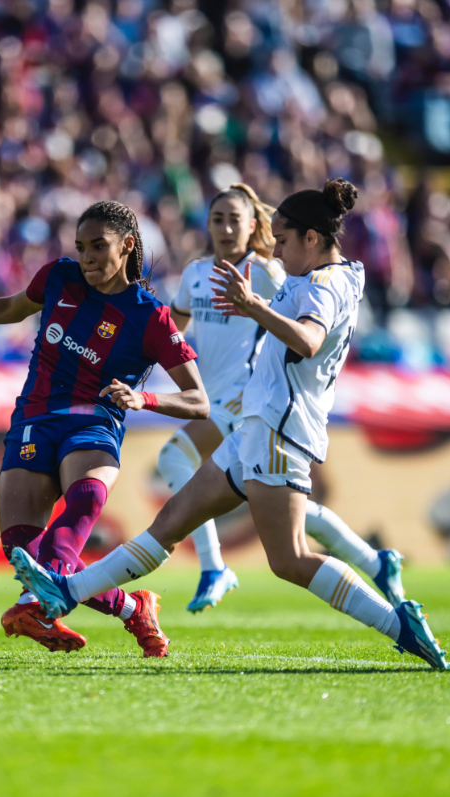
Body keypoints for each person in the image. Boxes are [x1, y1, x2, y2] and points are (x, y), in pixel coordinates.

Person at [9, 179, 450, 670]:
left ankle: (398, 622)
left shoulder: (324, 285)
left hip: (278, 429)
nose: (276, 251)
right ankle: (65, 591)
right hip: (253, 428)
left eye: (282, 240)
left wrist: (253, 306)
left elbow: (306, 341)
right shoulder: (325, 277)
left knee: (290, 559)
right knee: (170, 523)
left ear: (311, 238)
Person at [0, 200, 208, 658]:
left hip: (93, 424)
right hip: (35, 419)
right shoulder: (59, 276)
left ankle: (34, 605)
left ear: (128, 245)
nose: (88, 257)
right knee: (23, 552)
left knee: (83, 504)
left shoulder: (150, 316)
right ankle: (131, 607)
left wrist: (144, 398)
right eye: (81, 247)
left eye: (99, 246)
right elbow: (9, 308)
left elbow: (200, 401)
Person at [163, 183, 405, 613]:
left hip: (249, 400)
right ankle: (375, 561)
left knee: (174, 460)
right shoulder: (196, 273)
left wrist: (257, 307)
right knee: (274, 501)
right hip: (216, 397)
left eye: (234, 219)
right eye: (216, 219)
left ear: (252, 225)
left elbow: (304, 326)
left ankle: (212, 566)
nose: (224, 227)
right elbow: (171, 330)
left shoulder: (273, 272)